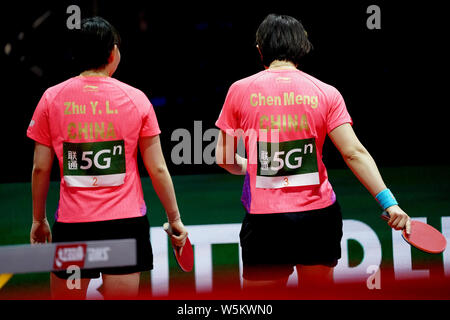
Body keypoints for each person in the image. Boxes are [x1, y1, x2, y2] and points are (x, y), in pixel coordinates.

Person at [215, 14, 410, 290]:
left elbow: (223, 158)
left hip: (265, 223)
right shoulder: (326, 92)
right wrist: (389, 202)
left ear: (260, 49)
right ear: (302, 47)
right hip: (318, 220)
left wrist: (254, 165)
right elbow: (354, 152)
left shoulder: (239, 90)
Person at [27, 16, 188, 299]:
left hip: (74, 227)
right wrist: (174, 218)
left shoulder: (52, 98)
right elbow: (158, 168)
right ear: (113, 52)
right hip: (124, 228)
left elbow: (40, 168)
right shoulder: (136, 99)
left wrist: (38, 220)